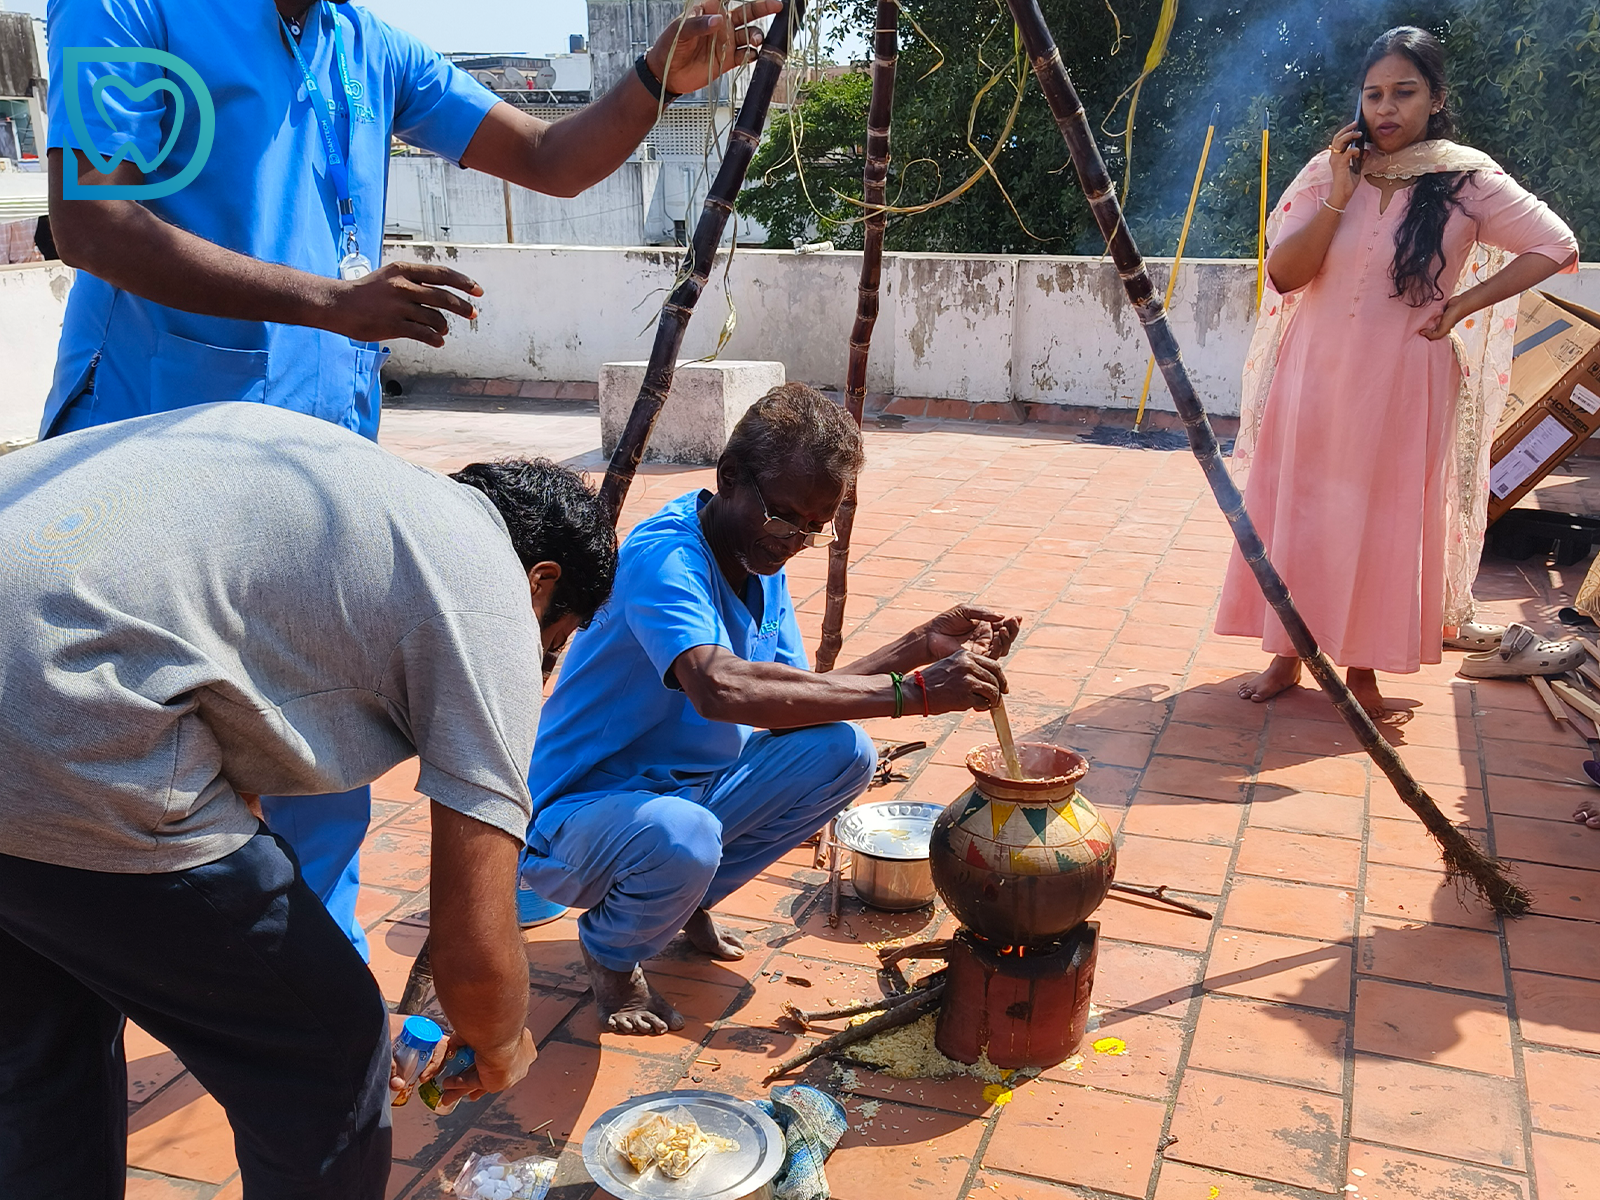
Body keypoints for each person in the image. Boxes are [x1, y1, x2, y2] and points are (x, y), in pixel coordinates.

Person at [44, 0, 775, 955]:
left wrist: (653, 79)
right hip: (154, 461)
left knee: (323, 748)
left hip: (315, 473)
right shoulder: (130, 8)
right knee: (125, 786)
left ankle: (331, 1010)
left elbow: (551, 160)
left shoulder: (364, 43)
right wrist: (329, 303)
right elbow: (92, 221)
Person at [0, 403, 618, 1198]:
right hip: (62, 712)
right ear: (543, 583)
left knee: (43, 1042)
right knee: (325, 1053)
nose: (538, 668)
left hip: (42, 661)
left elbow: (206, 657)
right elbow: (474, 932)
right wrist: (500, 1041)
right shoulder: (491, 584)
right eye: (553, 644)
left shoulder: (354, 499)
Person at [520, 384, 1022, 1034]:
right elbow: (719, 688)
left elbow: (791, 705)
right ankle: (612, 957)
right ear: (730, 479)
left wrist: (918, 648)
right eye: (786, 519)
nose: (795, 541)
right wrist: (918, 696)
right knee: (683, 838)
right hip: (575, 820)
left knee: (842, 752)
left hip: (682, 800)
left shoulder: (757, 560)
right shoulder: (664, 558)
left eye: (816, 529)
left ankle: (675, 900)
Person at [1217, 26, 1579, 717]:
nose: (1386, 109)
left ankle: (1363, 673)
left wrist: (1465, 303)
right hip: (1315, 372)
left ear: (1435, 98)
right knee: (1302, 509)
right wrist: (1340, 192)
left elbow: (1555, 246)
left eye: (1404, 93)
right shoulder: (1331, 171)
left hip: (1405, 378)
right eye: (1374, 93)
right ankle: (1285, 654)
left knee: (1382, 517)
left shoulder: (1465, 178)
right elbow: (1285, 275)